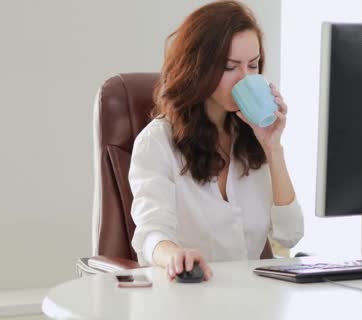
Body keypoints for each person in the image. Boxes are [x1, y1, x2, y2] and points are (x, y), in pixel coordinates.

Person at [129, 0, 304, 282]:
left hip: (251, 300)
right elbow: (151, 235)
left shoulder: (253, 137)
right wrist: (175, 255)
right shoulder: (157, 141)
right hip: (188, 295)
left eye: (254, 65)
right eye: (230, 67)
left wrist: (273, 147)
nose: (244, 79)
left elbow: (290, 235)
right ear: (199, 68)